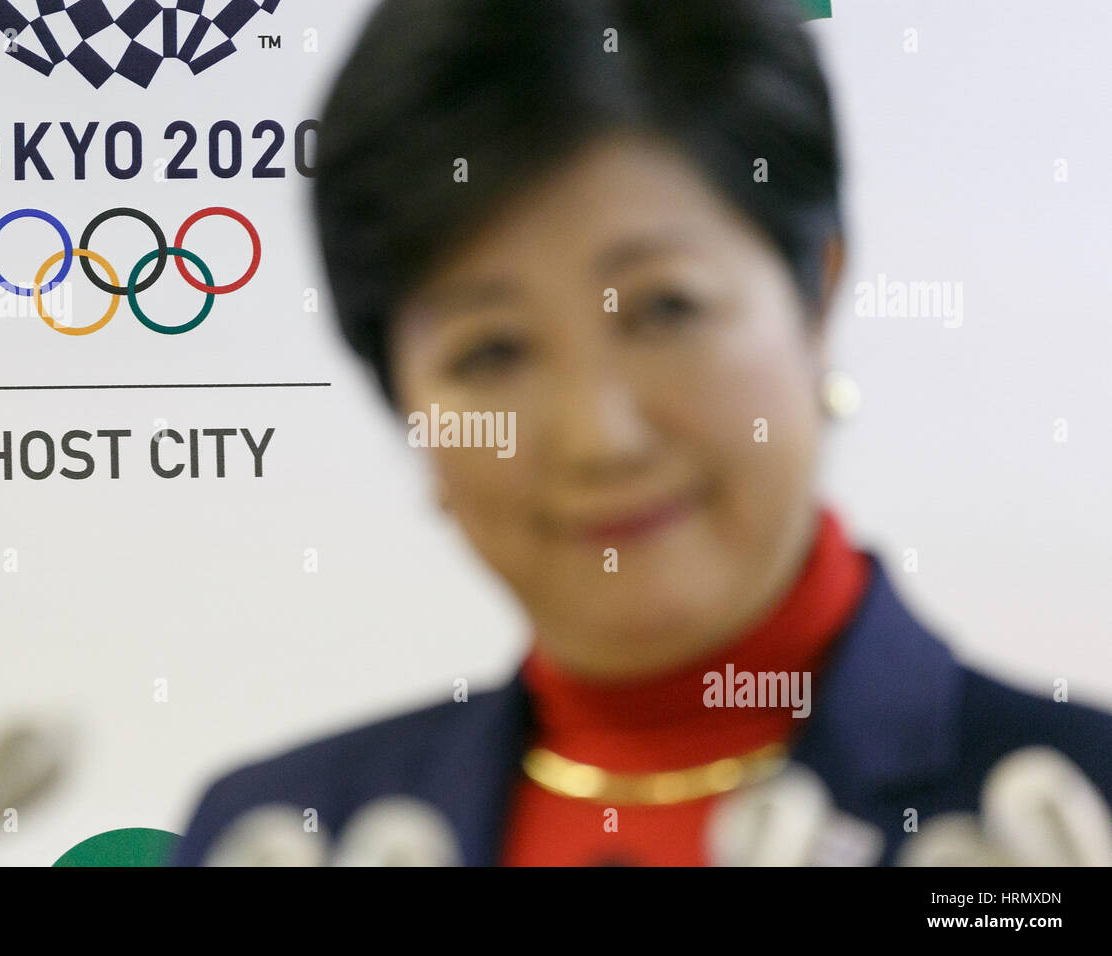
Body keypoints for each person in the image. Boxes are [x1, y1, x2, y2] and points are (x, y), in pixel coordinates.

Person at [173, 0, 1112, 866]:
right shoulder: (283, 836)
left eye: (664, 309)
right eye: (492, 352)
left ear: (816, 293)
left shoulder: (1072, 815)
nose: (600, 438)